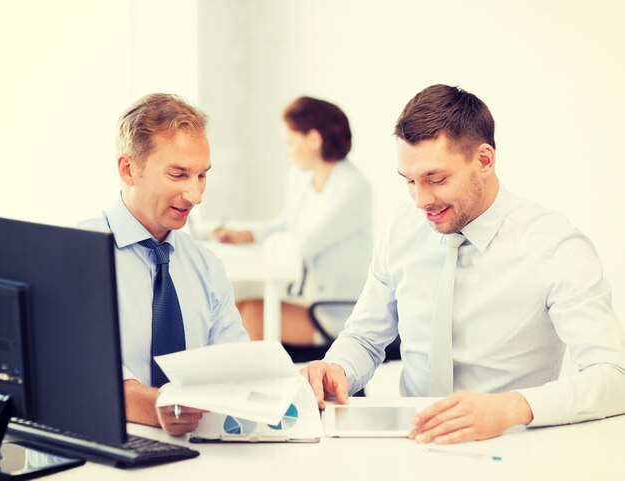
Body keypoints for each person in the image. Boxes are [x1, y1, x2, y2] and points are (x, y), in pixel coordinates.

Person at [302, 84, 625, 444]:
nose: (421, 199)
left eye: (436, 179)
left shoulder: (555, 246)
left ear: (484, 160)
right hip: (414, 444)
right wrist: (337, 368)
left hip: (514, 445)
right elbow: (364, 337)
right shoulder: (401, 230)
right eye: (409, 181)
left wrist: (514, 407)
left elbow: (614, 375)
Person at [80, 93, 249, 436]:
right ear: (129, 170)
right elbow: (77, 375)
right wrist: (156, 405)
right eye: (178, 175)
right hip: (103, 449)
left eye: (201, 176)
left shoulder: (205, 266)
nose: (196, 195)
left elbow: (236, 367)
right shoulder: (73, 256)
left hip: (195, 453)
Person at [213, 97, 373, 345]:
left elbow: (303, 243)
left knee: (253, 316)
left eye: (290, 142)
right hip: (305, 299)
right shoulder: (301, 177)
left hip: (336, 312)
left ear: (314, 139)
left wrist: (272, 242)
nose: (287, 151)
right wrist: (247, 234)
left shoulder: (354, 188)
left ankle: (255, 383)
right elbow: (286, 224)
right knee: (232, 311)